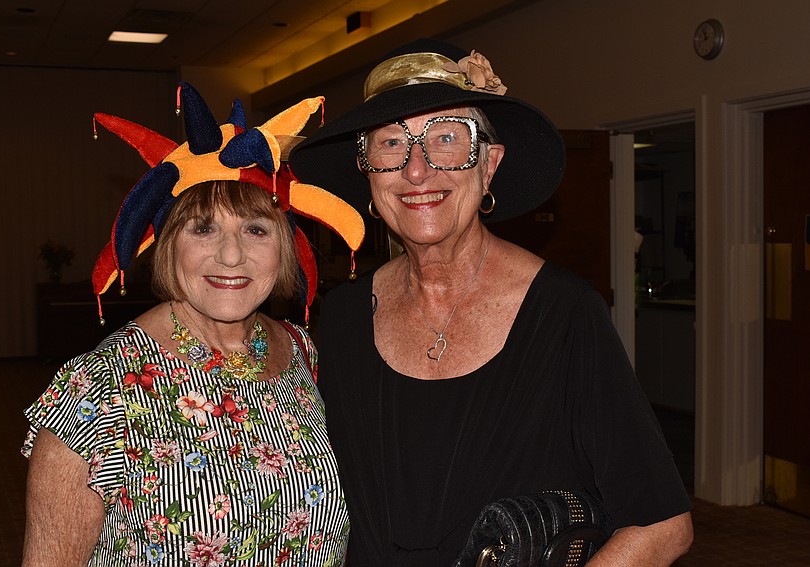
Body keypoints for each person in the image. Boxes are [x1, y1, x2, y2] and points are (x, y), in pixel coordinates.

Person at [289, 39, 693, 566]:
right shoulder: (341, 317)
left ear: (490, 165)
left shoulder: (565, 313)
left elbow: (662, 526)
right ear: (367, 173)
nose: (417, 171)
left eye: (447, 139)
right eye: (391, 143)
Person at [21, 83, 364, 566]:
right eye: (203, 228)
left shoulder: (304, 354)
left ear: (285, 247)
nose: (231, 255)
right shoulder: (98, 395)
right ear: (167, 244)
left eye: (256, 229)